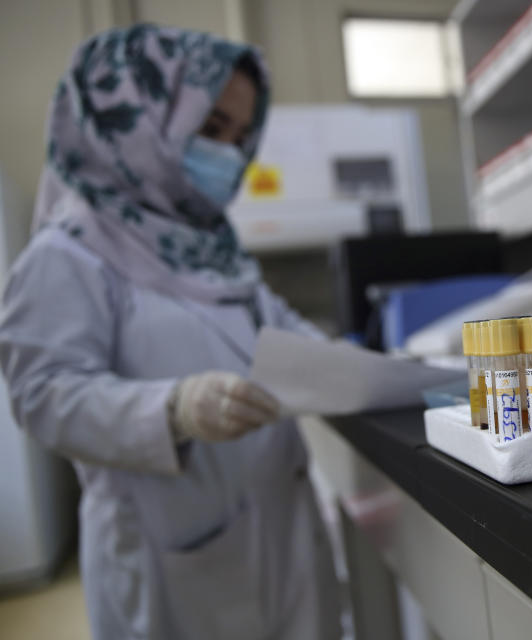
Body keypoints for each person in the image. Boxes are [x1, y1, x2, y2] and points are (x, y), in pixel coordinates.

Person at [0, 25, 341, 639]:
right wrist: (174, 409)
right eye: (212, 130)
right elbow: (43, 395)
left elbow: (278, 330)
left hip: (281, 528)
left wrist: (361, 369)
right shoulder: (67, 254)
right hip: (173, 555)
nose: (231, 157)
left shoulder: (208, 247)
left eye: (241, 138)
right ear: (135, 117)